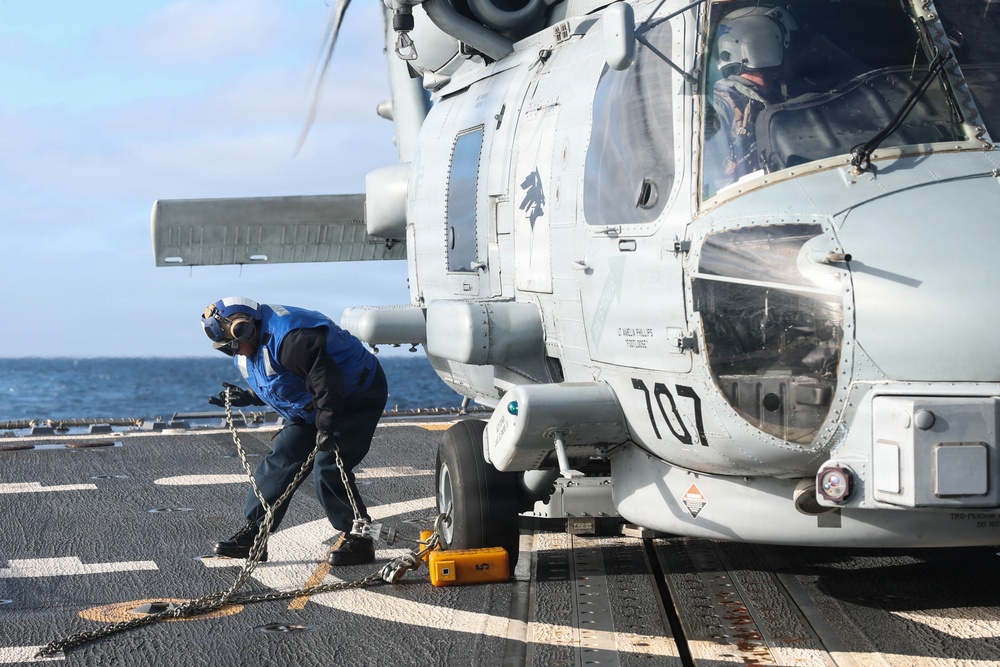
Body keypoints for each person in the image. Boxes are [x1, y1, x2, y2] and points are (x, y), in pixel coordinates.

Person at [201, 296, 387, 566]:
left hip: (354, 397)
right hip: (314, 404)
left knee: (330, 467)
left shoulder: (293, 338)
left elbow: (326, 381)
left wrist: (326, 427)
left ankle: (360, 539)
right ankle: (256, 534)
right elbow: (282, 377)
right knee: (282, 458)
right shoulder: (253, 342)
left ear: (244, 328)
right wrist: (251, 396)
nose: (234, 352)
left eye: (232, 345)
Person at [710, 5, 800, 180]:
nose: (793, 55)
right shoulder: (720, 105)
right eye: (787, 46)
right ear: (763, 47)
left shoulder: (779, 93)